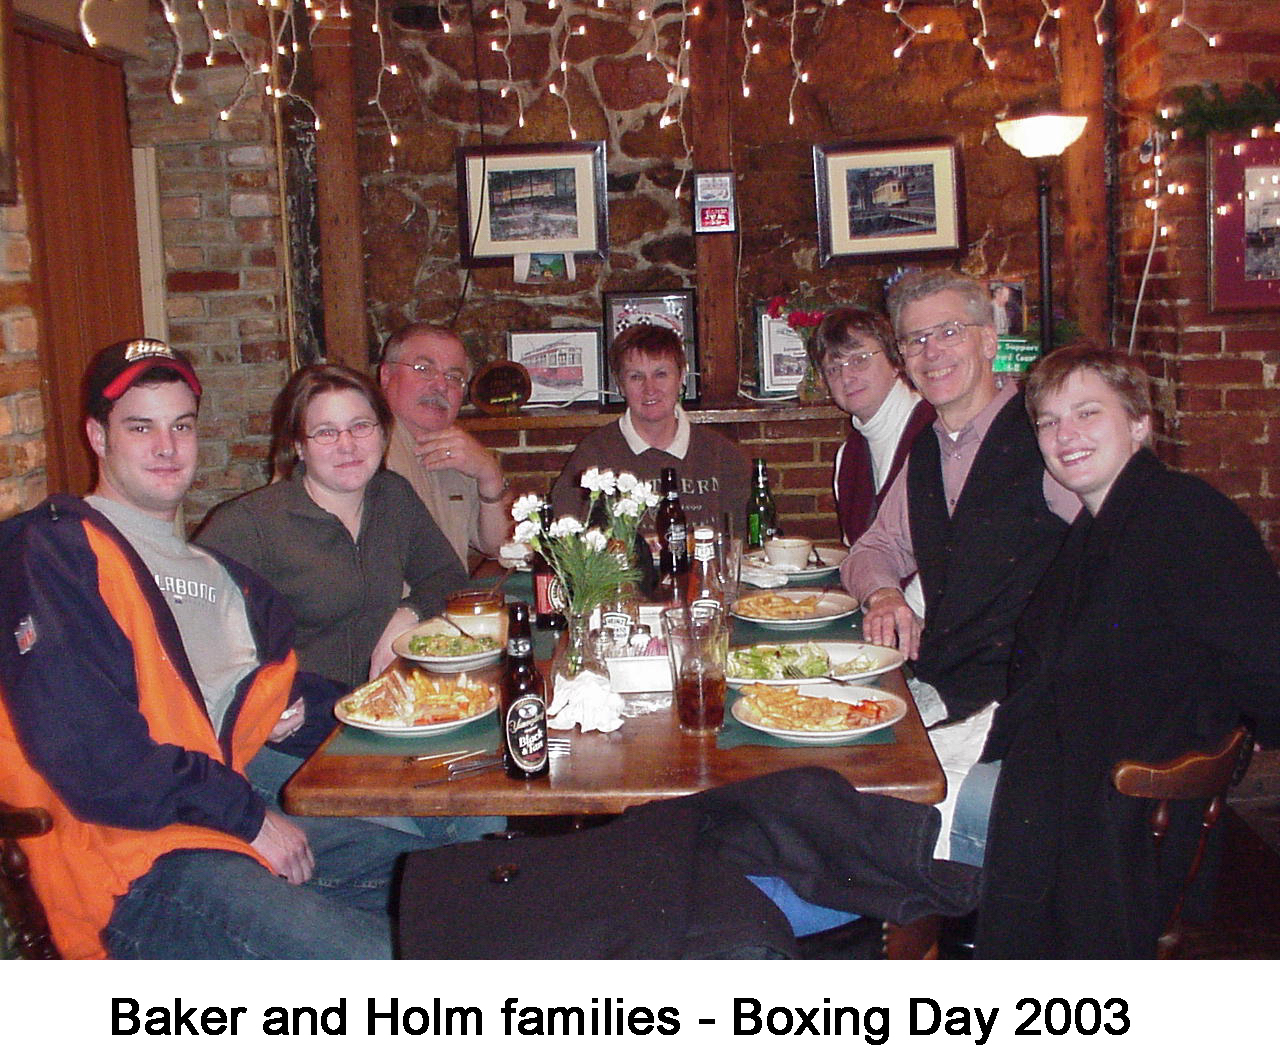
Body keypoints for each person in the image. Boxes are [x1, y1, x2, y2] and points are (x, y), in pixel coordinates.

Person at [0, 339, 432, 958]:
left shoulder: (218, 576)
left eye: (181, 425)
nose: (166, 446)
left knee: (452, 883)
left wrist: (400, 726)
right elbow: (96, 757)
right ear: (97, 437)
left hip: (215, 819)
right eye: (140, 426)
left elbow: (276, 697)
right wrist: (249, 818)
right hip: (131, 857)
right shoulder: (53, 556)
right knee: (382, 963)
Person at [973, 344, 1280, 957]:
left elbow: (1266, 668)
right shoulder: (1100, 524)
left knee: (917, 810)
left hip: (1132, 808)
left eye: (1088, 413)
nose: (1066, 435)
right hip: (1075, 784)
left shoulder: (1187, 518)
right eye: (1048, 421)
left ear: (1140, 423)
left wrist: (1217, 749)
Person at [840, 270, 1078, 859]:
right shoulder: (928, 449)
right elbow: (872, 549)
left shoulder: (1042, 436)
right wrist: (885, 596)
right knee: (824, 755)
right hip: (946, 682)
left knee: (868, 804)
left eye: (949, 332)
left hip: (1019, 705)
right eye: (915, 341)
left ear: (990, 340)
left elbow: (1116, 555)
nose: (931, 352)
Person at [197, 363, 468, 690]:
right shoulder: (248, 523)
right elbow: (190, 630)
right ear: (299, 446)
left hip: (382, 704)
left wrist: (407, 615)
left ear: (383, 433)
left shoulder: (392, 496)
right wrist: (257, 701)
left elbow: (447, 576)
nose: (346, 444)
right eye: (326, 432)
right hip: (295, 722)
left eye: (360, 426)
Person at [550, 323, 751, 532]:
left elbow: (747, 546)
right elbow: (567, 541)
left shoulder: (723, 456)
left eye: (661, 374)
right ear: (620, 385)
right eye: (636, 377)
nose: (650, 389)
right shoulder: (593, 456)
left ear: (682, 377)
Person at [812, 306, 935, 615]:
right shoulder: (847, 456)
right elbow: (859, 553)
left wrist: (903, 612)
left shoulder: (936, 432)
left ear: (896, 363)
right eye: (833, 368)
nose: (846, 375)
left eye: (859, 359)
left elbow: (955, 554)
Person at [378, 323, 513, 567]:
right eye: (424, 369)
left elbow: (502, 548)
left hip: (448, 601)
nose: (441, 385)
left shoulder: (458, 451)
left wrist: (489, 473)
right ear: (386, 376)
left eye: (454, 377)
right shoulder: (365, 448)